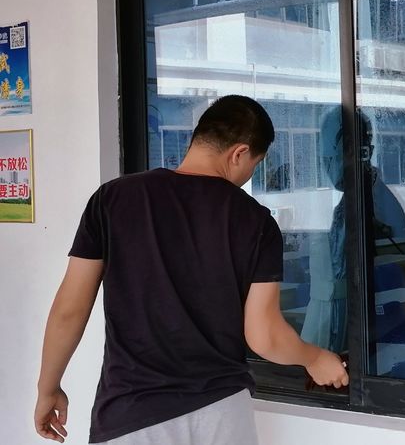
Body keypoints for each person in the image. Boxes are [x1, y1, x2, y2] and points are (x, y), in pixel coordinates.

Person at [34, 95, 348, 444]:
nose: (249, 176)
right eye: (255, 165)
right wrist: (314, 357)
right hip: (221, 413)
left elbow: (69, 310)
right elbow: (264, 336)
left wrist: (48, 388)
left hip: (132, 416)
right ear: (239, 153)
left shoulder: (112, 199)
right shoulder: (255, 220)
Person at [301, 108, 405, 354]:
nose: (327, 167)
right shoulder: (362, 197)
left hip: (377, 336)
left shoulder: (366, 203)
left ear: (355, 151)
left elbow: (342, 287)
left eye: (329, 158)